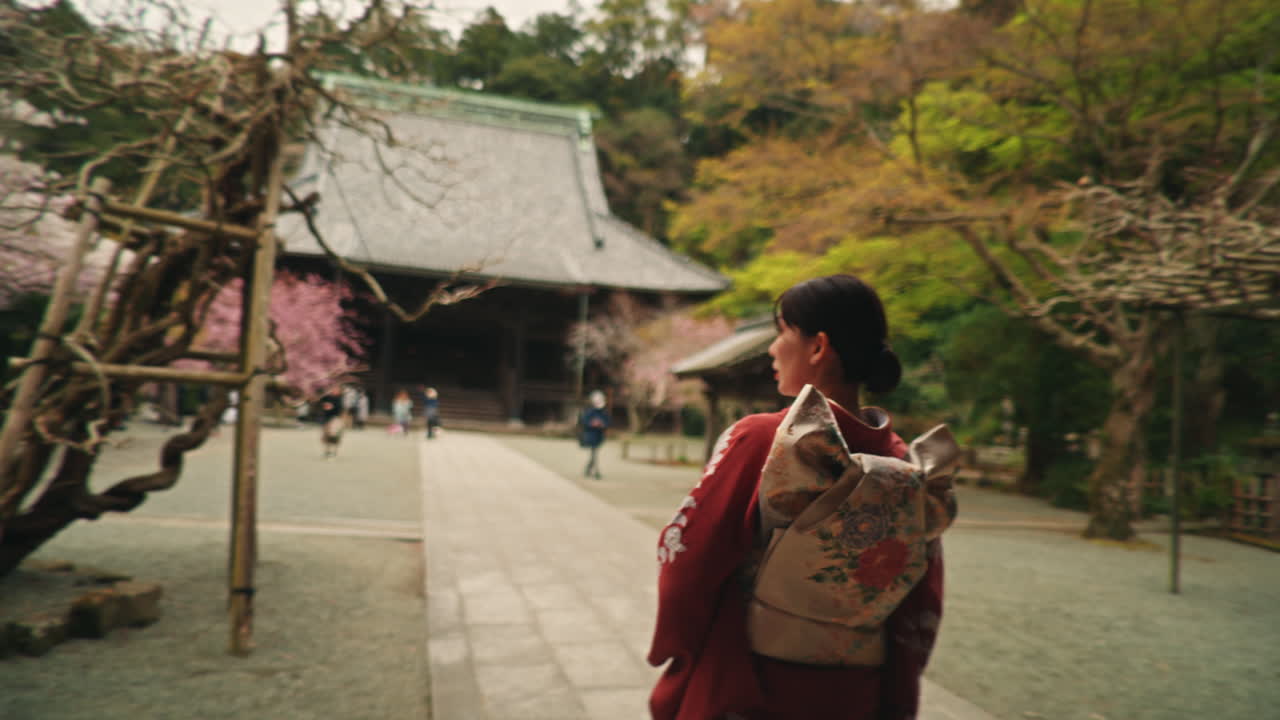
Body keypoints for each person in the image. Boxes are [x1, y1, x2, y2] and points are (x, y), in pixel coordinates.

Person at [648, 274, 946, 720]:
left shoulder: (761, 438)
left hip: (752, 684)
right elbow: (924, 593)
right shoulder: (905, 460)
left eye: (782, 332)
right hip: (855, 693)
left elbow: (688, 562)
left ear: (818, 347)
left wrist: (679, 649)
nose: (771, 348)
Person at [578, 390, 610, 479]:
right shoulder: (589, 412)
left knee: (594, 453)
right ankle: (596, 472)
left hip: (599, 436)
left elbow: (608, 422)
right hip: (590, 435)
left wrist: (602, 424)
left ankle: (588, 469)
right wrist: (592, 423)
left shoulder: (604, 412)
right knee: (594, 453)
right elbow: (584, 422)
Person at [318, 386, 345, 459]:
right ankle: (327, 451)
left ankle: (334, 451)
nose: (335, 391)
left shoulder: (339, 399)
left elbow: (340, 410)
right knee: (326, 435)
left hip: (335, 419)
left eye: (337, 390)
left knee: (335, 436)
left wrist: (341, 421)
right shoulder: (327, 397)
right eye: (334, 389)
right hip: (326, 418)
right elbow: (320, 401)